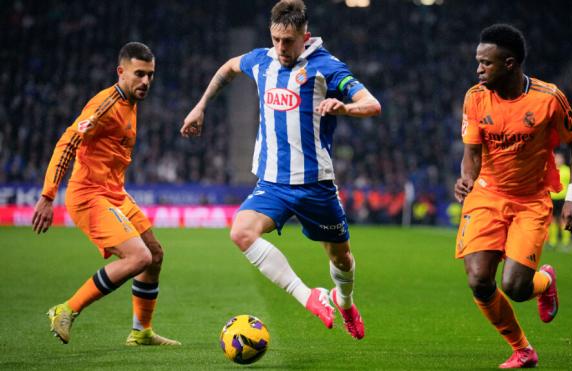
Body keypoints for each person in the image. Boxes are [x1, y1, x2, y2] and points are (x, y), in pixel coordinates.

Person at [180, 0, 380, 340]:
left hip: (315, 184)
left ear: (306, 36)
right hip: (272, 182)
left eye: (288, 41)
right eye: (275, 39)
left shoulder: (327, 67)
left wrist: (344, 107)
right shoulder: (261, 60)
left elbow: (372, 104)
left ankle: (344, 302)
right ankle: (309, 296)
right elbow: (228, 68)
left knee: (342, 258)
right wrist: (200, 107)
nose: (281, 47)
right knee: (241, 232)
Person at [454, 24, 572, 368]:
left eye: (486, 63)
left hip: (530, 200)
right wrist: (466, 178)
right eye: (478, 61)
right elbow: (471, 151)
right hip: (486, 193)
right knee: (479, 280)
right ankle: (522, 349)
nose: (478, 69)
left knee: (514, 286)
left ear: (510, 64)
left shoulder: (548, 98)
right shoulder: (475, 97)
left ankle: (544, 282)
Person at [32, 42, 180, 346]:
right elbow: (67, 143)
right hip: (89, 194)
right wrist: (47, 196)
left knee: (155, 256)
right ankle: (66, 309)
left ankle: (141, 331)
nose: (146, 81)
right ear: (120, 71)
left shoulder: (131, 104)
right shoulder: (105, 104)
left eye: (150, 75)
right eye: (139, 74)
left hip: (115, 193)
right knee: (139, 257)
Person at [548, 152, 571, 248]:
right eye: (556, 158)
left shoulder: (567, 170)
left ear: (563, 160)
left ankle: (566, 241)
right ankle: (552, 241)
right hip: (552, 198)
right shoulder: (551, 169)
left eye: (560, 158)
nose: (558, 160)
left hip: (563, 198)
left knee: (564, 219)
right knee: (552, 220)